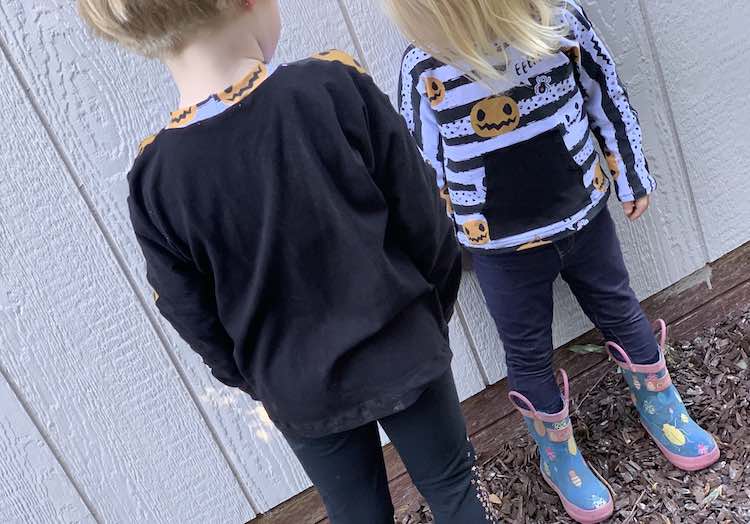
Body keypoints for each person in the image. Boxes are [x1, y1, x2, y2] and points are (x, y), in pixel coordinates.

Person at [77, 0, 499, 522]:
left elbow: (191, 313)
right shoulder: (334, 89)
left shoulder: (155, 182)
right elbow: (425, 223)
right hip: (403, 349)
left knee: (356, 512)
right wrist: (427, 316)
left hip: (297, 389)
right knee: (455, 488)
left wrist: (259, 375)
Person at [387, 0, 719, 521]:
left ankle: (663, 407)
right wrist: (436, 247)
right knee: (527, 352)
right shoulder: (425, 67)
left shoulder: (557, 24)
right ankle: (558, 455)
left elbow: (604, 93)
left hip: (584, 219)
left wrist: (629, 171)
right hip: (499, 251)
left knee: (621, 310)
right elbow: (418, 164)